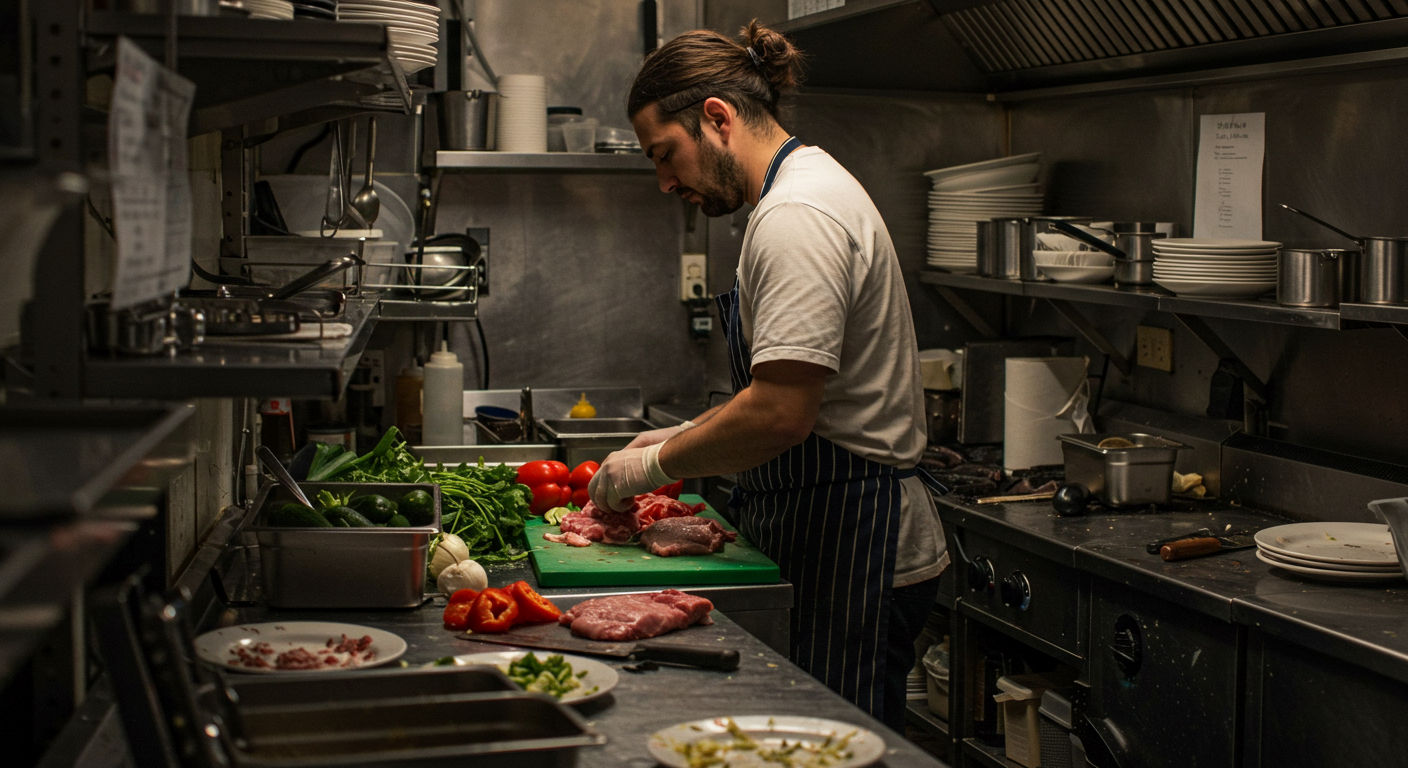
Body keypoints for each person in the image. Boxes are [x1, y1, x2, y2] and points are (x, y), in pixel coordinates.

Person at [587, 20, 948, 731]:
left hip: (856, 542)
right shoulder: (794, 194)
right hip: (833, 527)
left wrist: (654, 465)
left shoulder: (795, 216)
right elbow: (788, 390)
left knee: (831, 746)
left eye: (666, 154)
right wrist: (679, 436)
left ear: (716, 117)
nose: (665, 182)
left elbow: (782, 412)